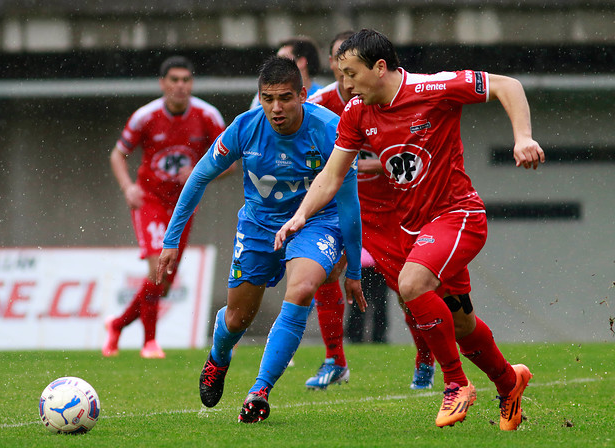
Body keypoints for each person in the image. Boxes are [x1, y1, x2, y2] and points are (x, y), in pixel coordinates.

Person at [276, 29, 545, 430]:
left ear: (379, 67)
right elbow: (332, 176)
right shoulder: (355, 112)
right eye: (340, 73)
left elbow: (508, 85)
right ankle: (509, 381)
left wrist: (522, 137)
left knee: (412, 284)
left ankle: (455, 384)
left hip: (458, 215)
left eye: (350, 73)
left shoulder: (435, 87)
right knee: (462, 324)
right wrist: (300, 215)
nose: (344, 83)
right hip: (413, 229)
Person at [157, 56, 365, 423]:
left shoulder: (331, 130)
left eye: (285, 97)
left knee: (301, 290)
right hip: (258, 225)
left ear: (303, 95)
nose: (276, 107)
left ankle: (259, 391)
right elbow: (199, 177)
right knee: (237, 318)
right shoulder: (244, 128)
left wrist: (354, 269)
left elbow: (349, 202)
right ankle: (219, 358)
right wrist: (171, 241)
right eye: (268, 98)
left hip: (317, 222)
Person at [307, 30, 435, 389]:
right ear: (332, 63)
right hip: (338, 210)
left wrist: (378, 163)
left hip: (390, 210)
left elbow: (415, 146)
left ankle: (425, 357)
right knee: (322, 273)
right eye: (336, 60)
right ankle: (335, 359)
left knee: (408, 291)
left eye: (349, 63)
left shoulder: (389, 95)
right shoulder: (318, 105)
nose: (342, 69)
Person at [103, 55, 227, 359]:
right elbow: (118, 155)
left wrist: (203, 171)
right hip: (151, 202)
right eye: (174, 80)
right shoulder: (145, 117)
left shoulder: (208, 116)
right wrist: (128, 187)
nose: (180, 86)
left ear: (191, 83)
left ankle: (117, 326)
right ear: (163, 84)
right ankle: (150, 343)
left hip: (184, 206)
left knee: (166, 280)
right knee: (157, 268)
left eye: (186, 80)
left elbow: (230, 161)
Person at [249, 36, 323, 109]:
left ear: (301, 62)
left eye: (283, 58)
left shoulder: (323, 95)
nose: (277, 63)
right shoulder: (265, 95)